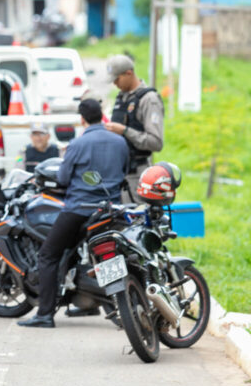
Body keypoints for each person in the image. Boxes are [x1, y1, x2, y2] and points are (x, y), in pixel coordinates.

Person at [17, 99, 129, 328]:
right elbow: (124, 171)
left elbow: (64, 178)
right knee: (111, 255)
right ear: (102, 116)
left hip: (80, 210)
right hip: (110, 210)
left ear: (82, 119)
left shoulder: (77, 145)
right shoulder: (120, 142)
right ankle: (118, 307)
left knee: (48, 255)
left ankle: (45, 315)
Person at [104, 55, 165, 202]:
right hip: (118, 174)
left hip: (137, 175)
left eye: (117, 79)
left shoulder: (149, 99)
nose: (115, 84)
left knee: (137, 221)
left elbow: (156, 142)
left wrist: (125, 131)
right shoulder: (121, 98)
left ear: (129, 73)